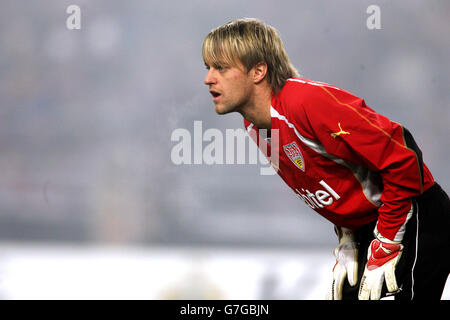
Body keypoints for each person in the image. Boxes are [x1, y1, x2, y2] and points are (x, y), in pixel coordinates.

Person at [202, 18, 450, 300]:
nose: (208, 78)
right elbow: (335, 180)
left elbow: (403, 156)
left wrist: (388, 241)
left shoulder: (305, 102)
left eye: (220, 67)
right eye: (208, 68)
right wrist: (348, 236)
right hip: (369, 229)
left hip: (414, 214)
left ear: (258, 71)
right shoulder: (253, 126)